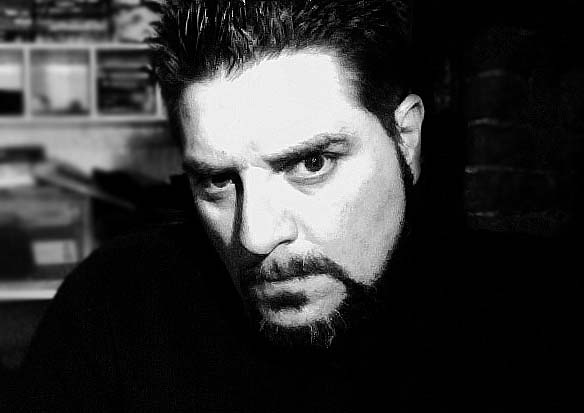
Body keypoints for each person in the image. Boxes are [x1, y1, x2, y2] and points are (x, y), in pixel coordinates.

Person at [10, 1, 576, 411]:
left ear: (405, 138)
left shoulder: (535, 316)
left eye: (311, 163)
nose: (255, 236)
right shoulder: (116, 309)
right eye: (218, 181)